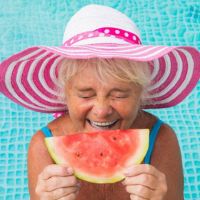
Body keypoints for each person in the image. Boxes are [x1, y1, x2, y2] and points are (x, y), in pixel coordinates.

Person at [0, 4, 199, 200]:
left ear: (141, 94)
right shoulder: (43, 145)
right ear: (64, 93)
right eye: (86, 95)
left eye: (119, 94)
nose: (102, 111)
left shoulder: (160, 139)